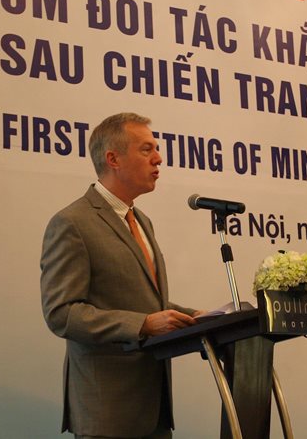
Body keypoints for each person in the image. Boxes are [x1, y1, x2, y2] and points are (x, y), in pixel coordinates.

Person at [41, 112, 201, 439]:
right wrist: (142, 325)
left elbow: (142, 302)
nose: (158, 159)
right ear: (113, 159)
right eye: (146, 149)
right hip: (108, 413)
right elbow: (62, 314)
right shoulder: (72, 223)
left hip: (154, 411)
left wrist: (197, 317)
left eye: (156, 149)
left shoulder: (142, 220)